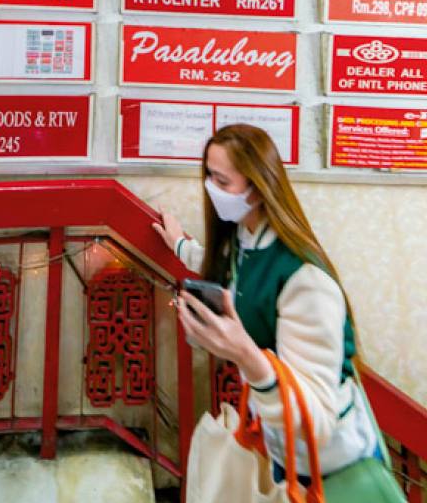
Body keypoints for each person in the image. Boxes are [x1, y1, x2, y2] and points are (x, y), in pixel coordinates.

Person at [153, 122, 379, 479]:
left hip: (329, 463)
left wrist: (244, 354)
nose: (211, 189)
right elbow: (228, 269)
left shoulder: (305, 280)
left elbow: (317, 422)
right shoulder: (244, 236)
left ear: (258, 188)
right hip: (279, 443)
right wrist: (180, 245)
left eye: (222, 181)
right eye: (209, 177)